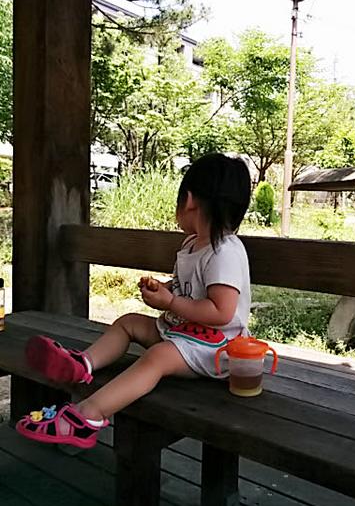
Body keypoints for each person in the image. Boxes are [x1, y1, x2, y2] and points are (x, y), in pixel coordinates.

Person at [16, 153, 252, 449]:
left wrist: (170, 302)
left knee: (156, 357)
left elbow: (221, 311)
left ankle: (87, 416)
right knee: (128, 323)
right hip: (182, 334)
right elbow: (189, 288)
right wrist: (164, 289)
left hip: (216, 349)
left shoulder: (225, 251)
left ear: (189, 200)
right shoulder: (193, 244)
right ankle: (83, 363)